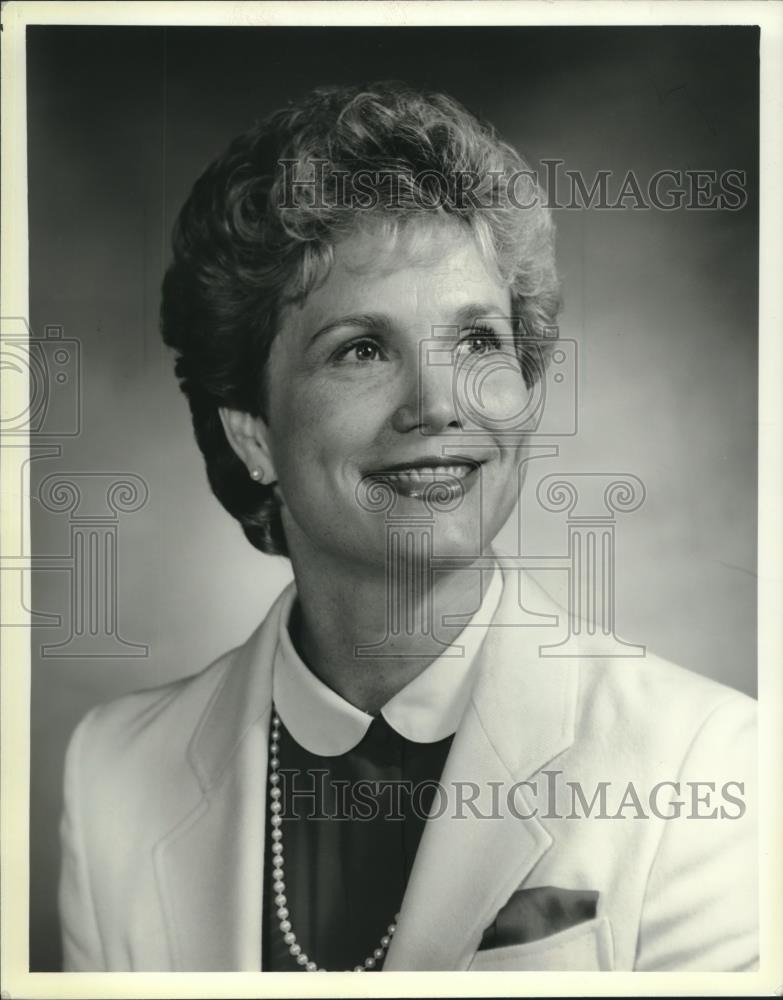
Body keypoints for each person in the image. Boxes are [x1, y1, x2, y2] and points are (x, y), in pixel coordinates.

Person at [58, 82, 757, 972]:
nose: (438, 407)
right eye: (361, 349)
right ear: (253, 434)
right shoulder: (114, 773)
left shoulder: (704, 763)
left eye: (476, 343)